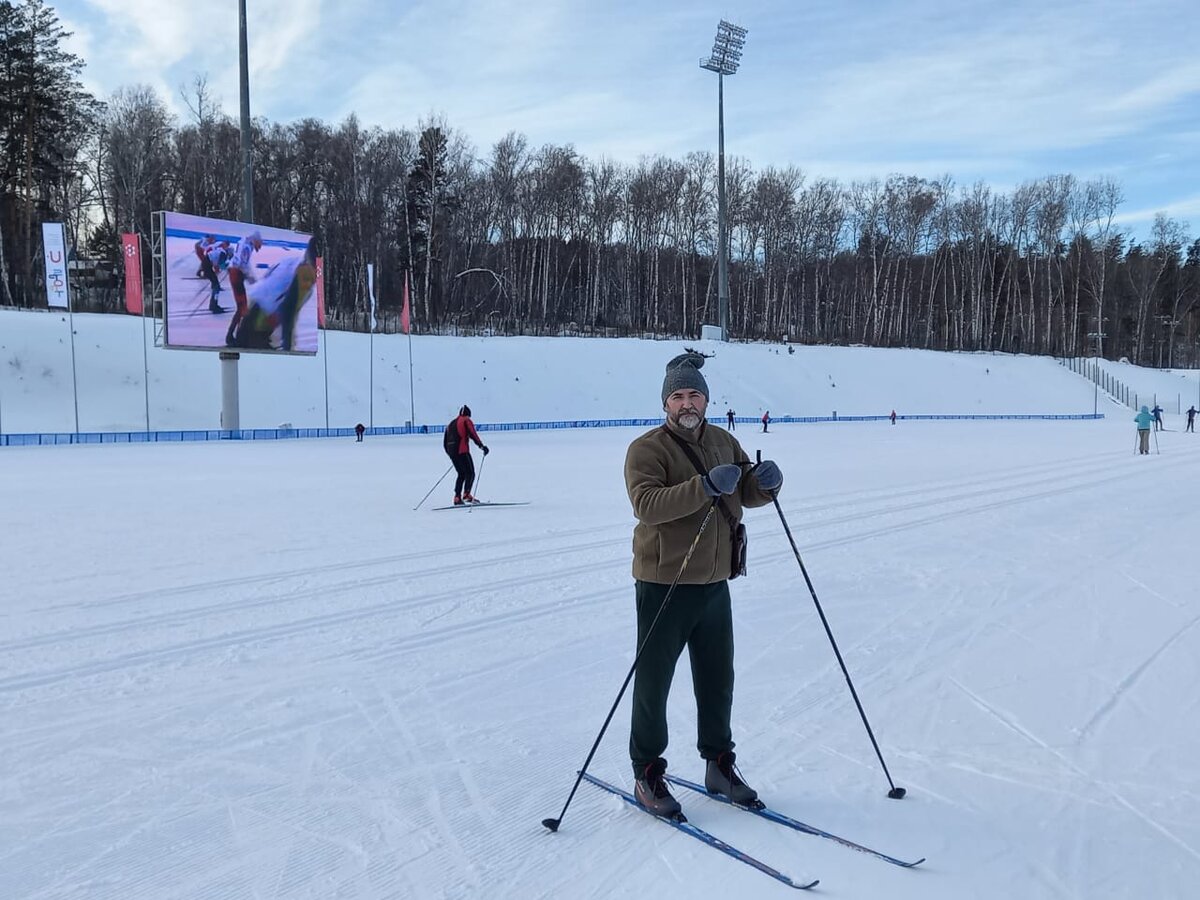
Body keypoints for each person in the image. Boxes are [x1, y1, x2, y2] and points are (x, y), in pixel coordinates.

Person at [623, 352, 783, 818]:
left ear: (707, 400)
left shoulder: (723, 441)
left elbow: (744, 493)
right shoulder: (647, 449)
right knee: (654, 682)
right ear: (665, 403)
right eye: (677, 395)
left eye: (694, 394)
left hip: (715, 581)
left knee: (717, 678)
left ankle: (718, 763)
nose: (686, 403)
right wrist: (705, 485)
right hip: (664, 583)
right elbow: (647, 505)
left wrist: (766, 485)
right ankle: (647, 771)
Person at [231, 243, 317, 351]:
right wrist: (289, 349)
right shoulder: (306, 274)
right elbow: (288, 312)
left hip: (256, 298)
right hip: (265, 310)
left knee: (243, 343)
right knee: (255, 347)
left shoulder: (291, 261)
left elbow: (268, 274)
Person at [225, 229, 264, 347]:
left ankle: (234, 335)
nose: (259, 248)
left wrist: (251, 278)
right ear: (256, 240)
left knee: (242, 308)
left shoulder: (246, 242)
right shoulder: (247, 246)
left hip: (236, 273)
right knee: (243, 308)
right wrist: (252, 280)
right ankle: (237, 337)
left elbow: (244, 263)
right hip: (236, 274)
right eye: (259, 244)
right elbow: (242, 264)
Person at [445, 405, 488, 505]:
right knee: (470, 472)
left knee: (461, 474)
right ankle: (467, 494)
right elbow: (473, 434)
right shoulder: (466, 420)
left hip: (452, 452)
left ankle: (457, 497)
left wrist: (451, 454)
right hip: (462, 451)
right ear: (468, 414)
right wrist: (482, 446)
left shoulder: (451, 423)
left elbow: (445, 441)